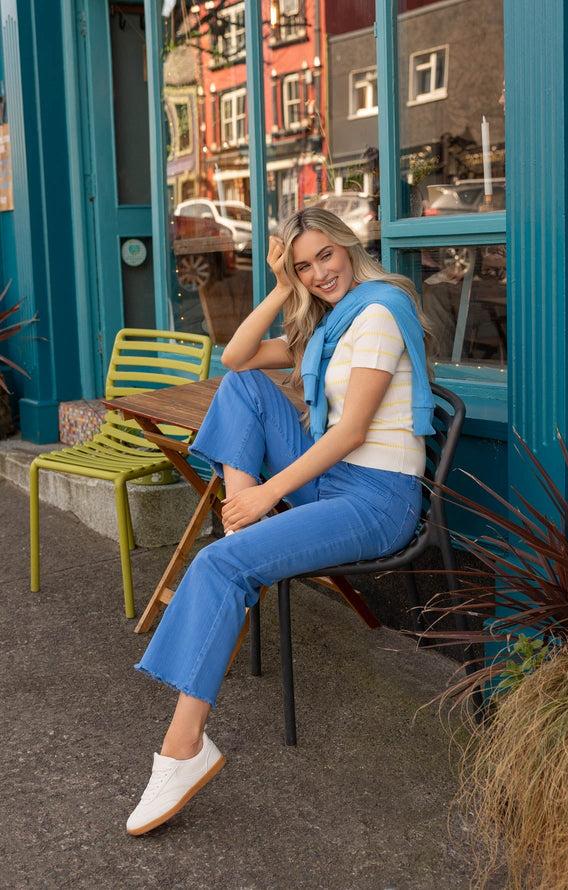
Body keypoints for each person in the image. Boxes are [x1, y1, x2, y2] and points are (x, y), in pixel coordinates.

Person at [126, 207, 435, 836]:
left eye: (326, 256)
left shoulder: (377, 313)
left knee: (217, 562)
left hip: (379, 500)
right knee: (241, 389)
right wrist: (278, 287)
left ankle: (184, 750)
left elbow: (349, 433)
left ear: (348, 247)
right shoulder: (329, 324)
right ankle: (241, 535)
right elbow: (237, 357)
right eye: (303, 266)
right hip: (335, 483)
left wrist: (267, 493)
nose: (320, 272)